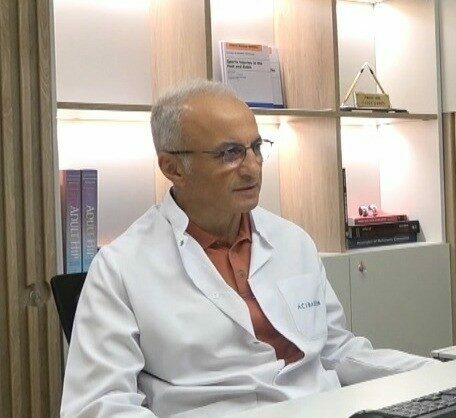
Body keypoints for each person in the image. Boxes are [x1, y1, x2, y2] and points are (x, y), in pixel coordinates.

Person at [60, 80, 436, 417]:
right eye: (230, 153)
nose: (253, 167)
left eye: (256, 147)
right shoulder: (121, 267)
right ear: (173, 168)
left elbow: (335, 351)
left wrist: (441, 374)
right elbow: (98, 405)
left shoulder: (292, 241)